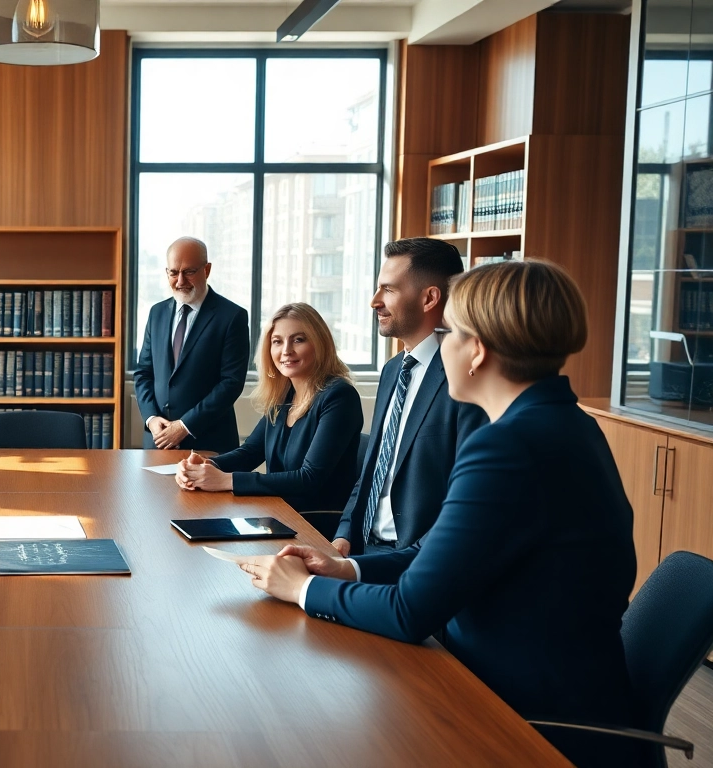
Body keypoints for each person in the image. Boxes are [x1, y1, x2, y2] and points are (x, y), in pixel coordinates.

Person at [242, 260, 639, 768]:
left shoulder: (507, 447)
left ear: (476, 351)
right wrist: (350, 567)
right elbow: (440, 552)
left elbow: (411, 613)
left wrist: (300, 589)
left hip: (520, 719)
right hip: (537, 678)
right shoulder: (564, 425)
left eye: (450, 332)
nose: (440, 346)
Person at [332, 238, 488, 556]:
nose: (374, 301)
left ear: (430, 298)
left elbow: (464, 500)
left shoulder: (468, 378)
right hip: (361, 549)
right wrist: (344, 535)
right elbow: (374, 467)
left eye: (388, 290)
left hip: (414, 560)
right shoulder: (392, 370)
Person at [176, 303, 362, 512]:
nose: (286, 351)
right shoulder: (284, 396)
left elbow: (309, 478)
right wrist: (206, 466)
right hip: (278, 512)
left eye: (298, 340)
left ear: (320, 344)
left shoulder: (339, 396)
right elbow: (250, 452)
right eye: (277, 342)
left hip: (316, 524)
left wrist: (226, 481)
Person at [134, 237, 251, 453]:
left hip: (209, 445)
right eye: (173, 272)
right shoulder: (156, 313)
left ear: (207, 270)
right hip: (158, 442)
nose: (180, 281)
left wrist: (184, 426)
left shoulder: (232, 317)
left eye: (188, 272)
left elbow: (231, 383)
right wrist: (151, 419)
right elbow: (143, 373)